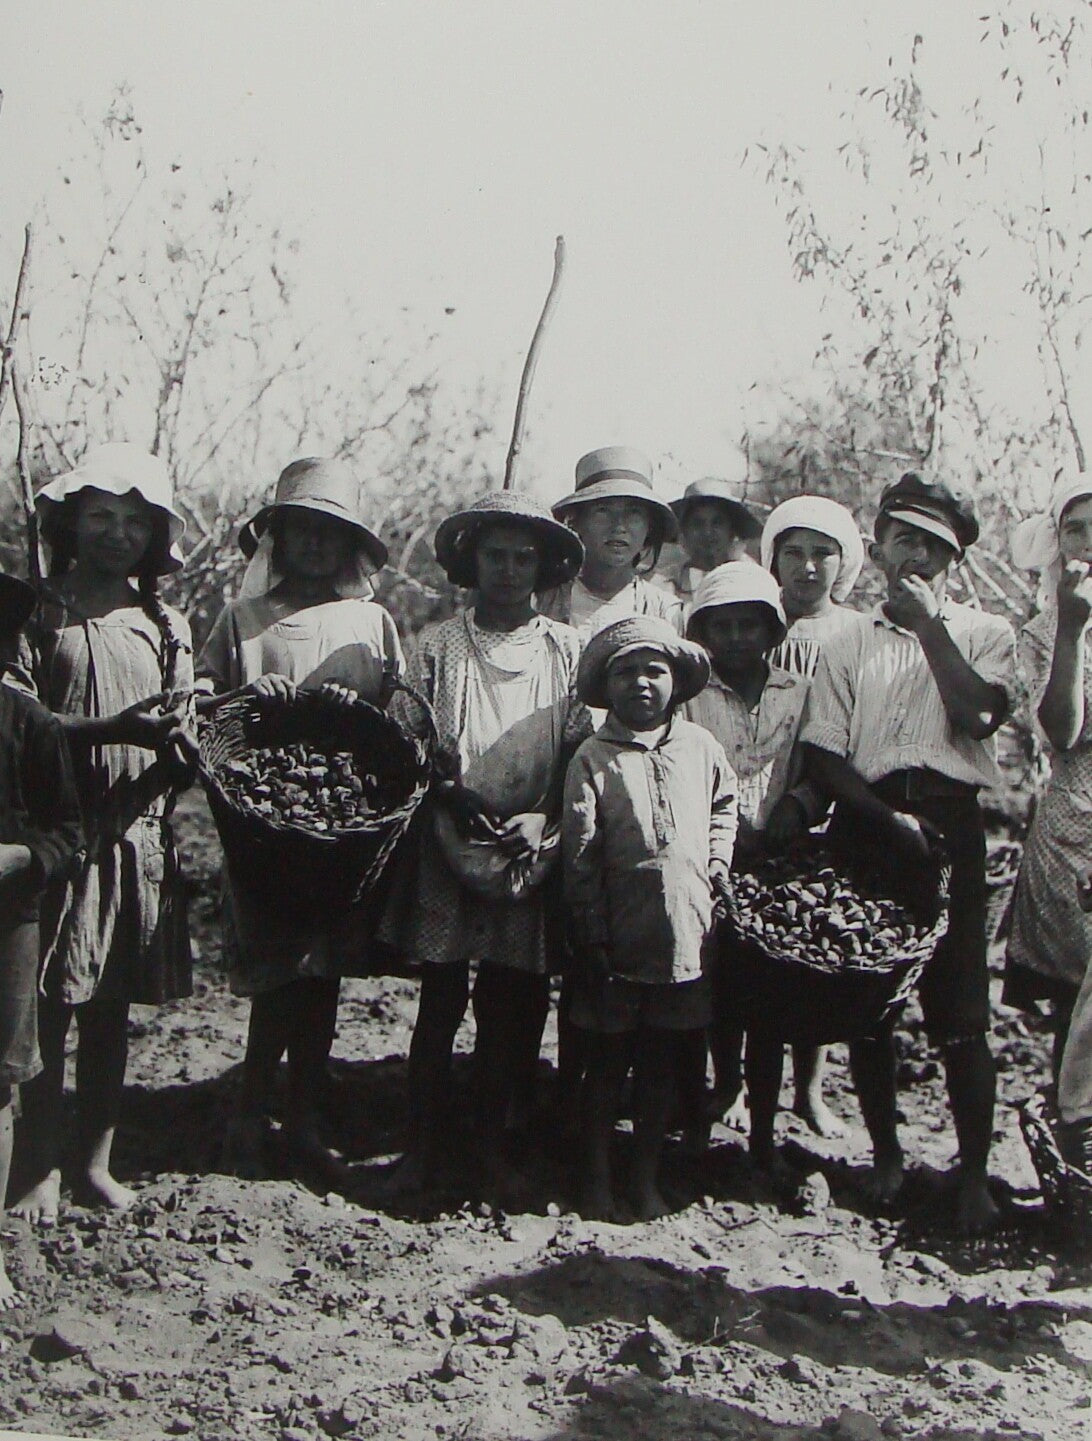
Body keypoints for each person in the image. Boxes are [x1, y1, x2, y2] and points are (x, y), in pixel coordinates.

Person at [800, 472, 1016, 1234]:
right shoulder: (846, 638)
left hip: (952, 822)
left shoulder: (986, 632)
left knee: (961, 1006)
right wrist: (884, 819)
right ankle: (886, 1154)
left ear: (952, 560)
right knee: (871, 1000)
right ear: (878, 543)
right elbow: (824, 752)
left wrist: (929, 627)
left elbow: (980, 716)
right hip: (869, 822)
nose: (916, 554)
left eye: (934, 545)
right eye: (905, 538)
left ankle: (974, 1174)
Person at [197, 456, 404, 1178]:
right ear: (275, 539)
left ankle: (306, 1114)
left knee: (324, 971)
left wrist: (361, 718)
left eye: (330, 532)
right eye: (300, 529)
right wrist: (254, 700)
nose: (314, 544)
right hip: (264, 817)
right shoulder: (243, 618)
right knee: (275, 967)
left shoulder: (370, 622)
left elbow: (397, 717)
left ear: (350, 546)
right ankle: (253, 1108)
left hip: (344, 819)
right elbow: (203, 702)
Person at [383, 490, 587, 1198]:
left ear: (544, 567)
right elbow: (404, 742)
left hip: (531, 846)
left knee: (514, 1002)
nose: (507, 570)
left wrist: (544, 817)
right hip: (448, 838)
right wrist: (445, 793)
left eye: (522, 557)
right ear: (472, 562)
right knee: (441, 999)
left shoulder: (569, 651)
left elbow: (582, 751)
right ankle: (421, 1147)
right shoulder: (438, 645)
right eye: (494, 555)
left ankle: (491, 1145)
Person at [12, 444, 195, 1225]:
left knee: (111, 1008)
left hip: (136, 840)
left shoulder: (165, 623)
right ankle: (37, 1168)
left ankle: (96, 1162)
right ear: (69, 524)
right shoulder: (38, 614)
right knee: (48, 1008)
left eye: (133, 521)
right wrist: (110, 730)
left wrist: (180, 749)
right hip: (61, 839)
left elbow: (184, 730)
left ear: (153, 537)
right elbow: (21, 727)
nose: (117, 534)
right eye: (100, 517)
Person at [563, 615, 737, 1220]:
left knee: (661, 1063)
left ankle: (644, 1178)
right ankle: (594, 1179)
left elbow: (724, 809)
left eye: (654, 671)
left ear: (677, 681)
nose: (641, 683)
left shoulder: (701, 747)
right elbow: (580, 849)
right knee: (606, 1064)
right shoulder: (593, 756)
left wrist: (717, 868)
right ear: (607, 686)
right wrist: (590, 929)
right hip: (616, 934)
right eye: (626, 671)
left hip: (684, 934)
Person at [682, 561, 818, 1174]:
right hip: (708, 861)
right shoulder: (689, 696)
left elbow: (820, 765)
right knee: (711, 994)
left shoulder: (801, 692)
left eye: (749, 625)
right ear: (703, 633)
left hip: (781, 867)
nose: (737, 637)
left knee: (769, 1007)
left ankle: (763, 1134)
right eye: (723, 626)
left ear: (772, 631)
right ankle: (706, 1110)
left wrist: (800, 803)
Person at [761, 494, 866, 1139]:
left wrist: (812, 798)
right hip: (756, 799)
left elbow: (852, 732)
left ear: (844, 563)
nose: (806, 568)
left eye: (822, 554)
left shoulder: (852, 634)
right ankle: (734, 1085)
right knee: (747, 950)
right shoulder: (746, 621)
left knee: (811, 950)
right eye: (793, 553)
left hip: (823, 809)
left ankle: (809, 1090)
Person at [0, 571, 83, 1304]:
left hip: (8, 921)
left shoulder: (31, 725)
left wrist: (20, 857)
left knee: (0, 1078)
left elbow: (68, 833)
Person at [1004, 471, 1092, 1078]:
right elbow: (1063, 732)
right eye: (1075, 529)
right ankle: (1073, 1153)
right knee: (1075, 1012)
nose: (1088, 542)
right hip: (1074, 831)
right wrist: (1073, 627)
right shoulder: (1041, 633)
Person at [538, 446, 681, 636]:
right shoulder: (543, 600)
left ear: (649, 527)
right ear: (576, 522)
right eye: (603, 510)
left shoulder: (664, 610)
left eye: (634, 512)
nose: (619, 526)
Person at [662, 476, 763, 618]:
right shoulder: (665, 586)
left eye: (717, 523)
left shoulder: (751, 579)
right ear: (684, 531)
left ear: (731, 531)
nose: (707, 532)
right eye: (697, 523)